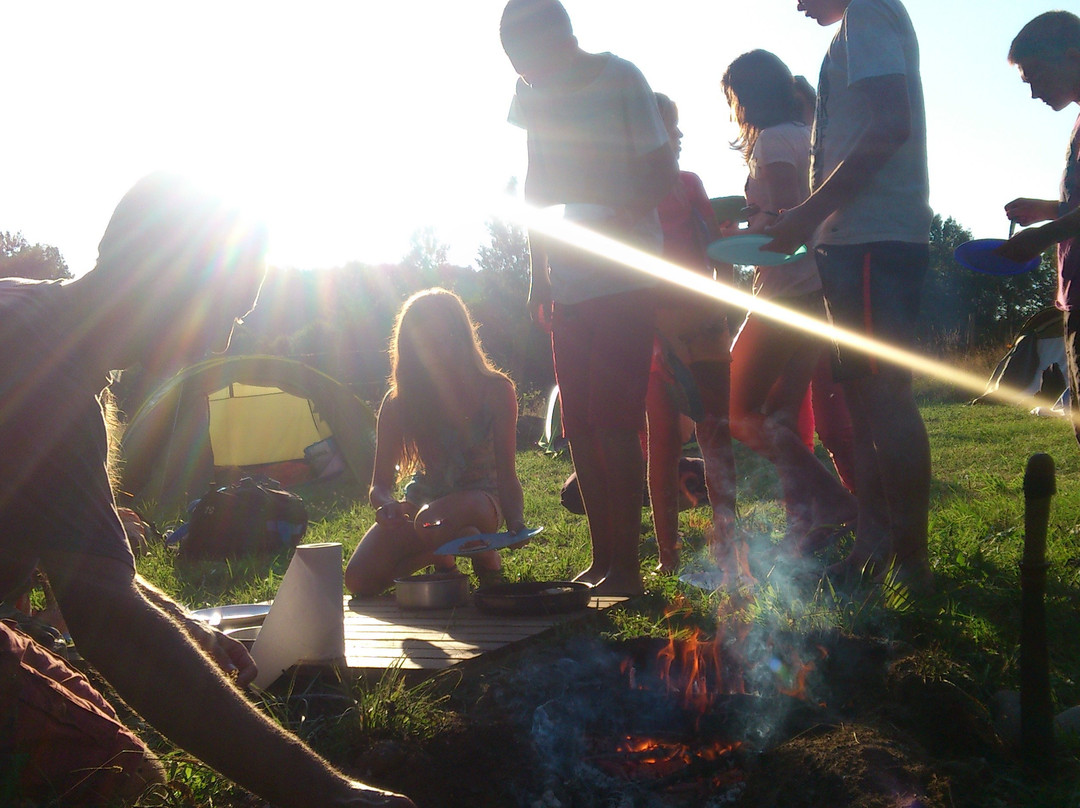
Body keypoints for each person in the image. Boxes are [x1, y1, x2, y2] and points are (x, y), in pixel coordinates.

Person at [0, 173, 415, 807]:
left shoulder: (33, 318)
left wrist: (183, 625)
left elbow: (89, 561)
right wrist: (327, 795)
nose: (224, 338)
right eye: (225, 307)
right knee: (108, 773)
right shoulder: (43, 372)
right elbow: (106, 617)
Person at [500, 0, 677, 594]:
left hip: (625, 277)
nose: (524, 77)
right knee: (578, 424)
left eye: (528, 63)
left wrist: (618, 217)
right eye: (516, 68)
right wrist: (537, 273)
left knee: (614, 421)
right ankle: (603, 560)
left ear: (561, 39)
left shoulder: (621, 77)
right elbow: (535, 188)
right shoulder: (531, 97)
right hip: (569, 282)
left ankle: (626, 567)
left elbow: (662, 170)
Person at [764, 0, 933, 591]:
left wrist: (810, 211)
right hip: (850, 240)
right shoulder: (853, 29)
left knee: (884, 399)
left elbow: (891, 123)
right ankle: (872, 547)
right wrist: (808, 222)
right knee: (863, 405)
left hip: (875, 237)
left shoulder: (867, 13)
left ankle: (912, 562)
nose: (795, 4)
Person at [720, 49, 856, 553]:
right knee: (777, 417)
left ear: (746, 96)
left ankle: (835, 502)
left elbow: (785, 222)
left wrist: (739, 233)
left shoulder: (773, 142)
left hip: (788, 289)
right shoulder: (805, 135)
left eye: (734, 97)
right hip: (818, 287)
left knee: (734, 408)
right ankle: (809, 528)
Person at [345, 288, 527, 596]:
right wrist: (388, 506)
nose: (440, 350)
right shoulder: (397, 402)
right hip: (421, 511)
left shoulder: (496, 391)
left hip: (481, 503)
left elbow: (508, 476)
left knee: (432, 520)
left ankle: (458, 555)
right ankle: (465, 548)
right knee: (358, 580)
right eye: (427, 342)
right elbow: (379, 486)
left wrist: (517, 522)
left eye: (448, 338)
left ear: (463, 337)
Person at [647, 91, 737, 574]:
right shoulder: (627, 196)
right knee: (662, 440)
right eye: (669, 128)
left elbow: (717, 250)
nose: (679, 136)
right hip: (657, 331)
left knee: (715, 433)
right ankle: (668, 555)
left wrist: (730, 302)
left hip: (704, 323)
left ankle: (729, 542)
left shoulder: (690, 183)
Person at [999, 11, 1080, 447]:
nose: (1033, 93)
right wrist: (1048, 210)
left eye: (1037, 76)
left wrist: (1040, 237)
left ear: (1072, 56)